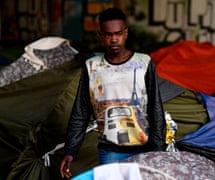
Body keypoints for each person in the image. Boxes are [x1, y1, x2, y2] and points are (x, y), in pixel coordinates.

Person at [60, 7, 166, 179]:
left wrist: (159, 150)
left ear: (126, 33)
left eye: (118, 33)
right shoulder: (92, 66)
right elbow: (81, 110)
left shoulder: (144, 63)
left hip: (144, 147)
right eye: (109, 34)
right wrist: (70, 150)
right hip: (109, 149)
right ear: (101, 35)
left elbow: (155, 108)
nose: (114, 39)